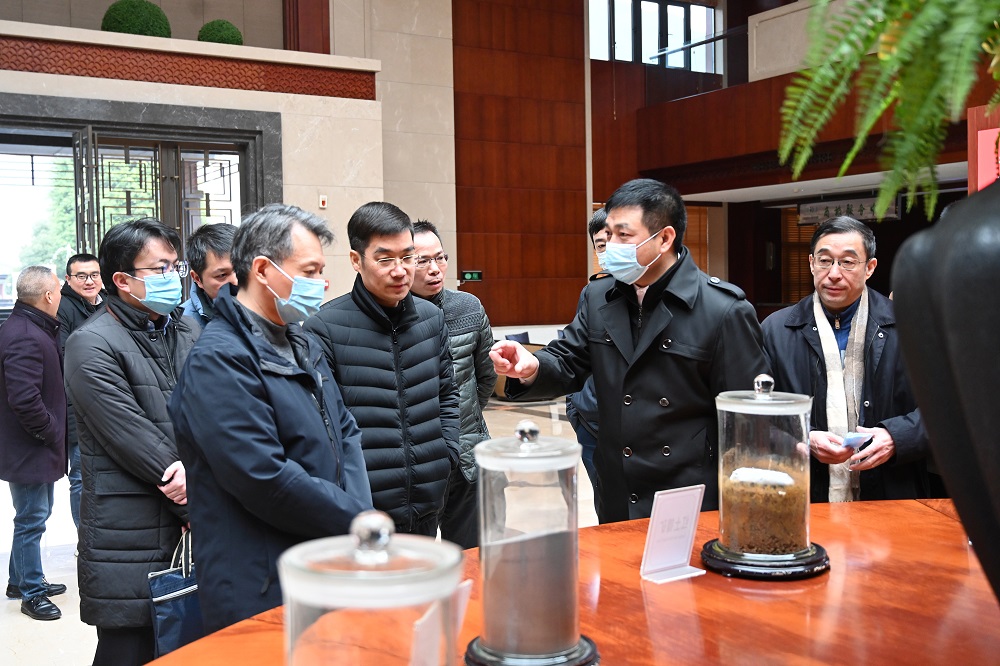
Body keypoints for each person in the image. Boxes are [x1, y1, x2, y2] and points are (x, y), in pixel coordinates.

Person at [490, 178, 768, 522]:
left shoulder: (722, 309)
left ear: (664, 238)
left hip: (689, 489)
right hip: (617, 486)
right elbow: (568, 359)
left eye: (624, 235)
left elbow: (748, 420)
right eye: (608, 235)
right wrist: (532, 366)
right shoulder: (598, 296)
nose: (611, 247)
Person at [169, 204, 374, 632]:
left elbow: (345, 430)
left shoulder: (300, 342)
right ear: (263, 270)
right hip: (260, 577)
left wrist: (358, 511)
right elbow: (263, 475)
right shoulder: (219, 359)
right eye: (310, 271)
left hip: (322, 550)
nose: (322, 283)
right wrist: (353, 518)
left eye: (321, 271)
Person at [64, 218, 199, 665]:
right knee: (128, 646)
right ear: (122, 280)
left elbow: (214, 413)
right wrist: (196, 500)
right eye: (160, 269)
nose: (172, 278)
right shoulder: (90, 343)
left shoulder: (186, 330)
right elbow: (129, 434)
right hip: (127, 530)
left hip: (193, 520)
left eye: (175, 267)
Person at [304, 202, 460, 537]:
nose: (400, 271)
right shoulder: (324, 328)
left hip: (428, 499)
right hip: (362, 509)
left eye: (408, 257)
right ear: (356, 260)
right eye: (385, 259)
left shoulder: (431, 319)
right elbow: (323, 422)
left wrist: (447, 454)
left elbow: (447, 394)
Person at [761, 216, 929, 502]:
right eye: (825, 261)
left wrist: (896, 437)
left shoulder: (908, 326)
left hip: (893, 494)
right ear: (811, 263)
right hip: (803, 496)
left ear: (870, 267)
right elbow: (758, 413)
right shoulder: (776, 330)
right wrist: (803, 437)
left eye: (848, 262)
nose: (834, 273)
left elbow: (946, 410)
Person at [409, 219, 496, 548]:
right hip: (418, 462)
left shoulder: (468, 307)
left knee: (471, 554)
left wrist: (465, 416)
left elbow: (486, 375)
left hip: (467, 457)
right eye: (423, 261)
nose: (435, 269)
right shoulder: (394, 314)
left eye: (440, 258)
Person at [1, 267, 68, 621]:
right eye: (59, 288)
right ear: (48, 295)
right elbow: (24, 399)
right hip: (30, 447)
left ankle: (19, 580)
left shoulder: (28, 327)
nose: (61, 294)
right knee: (31, 519)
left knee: (32, 516)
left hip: (32, 445)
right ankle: (32, 592)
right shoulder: (25, 335)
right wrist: (51, 430)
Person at [57, 252, 106, 531]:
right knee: (80, 477)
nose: (89, 281)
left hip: (108, 401)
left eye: (94, 275)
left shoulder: (109, 302)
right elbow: (64, 354)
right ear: (68, 278)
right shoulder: (63, 307)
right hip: (77, 405)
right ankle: (84, 537)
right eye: (81, 276)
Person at [565, 208, 609, 493]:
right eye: (600, 245)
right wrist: (576, 408)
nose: (608, 251)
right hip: (593, 424)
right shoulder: (593, 293)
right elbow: (575, 352)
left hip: (650, 434)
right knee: (605, 504)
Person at [180, 223, 238, 329]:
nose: (236, 281)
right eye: (222, 275)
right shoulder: (182, 326)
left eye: (242, 269)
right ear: (197, 279)